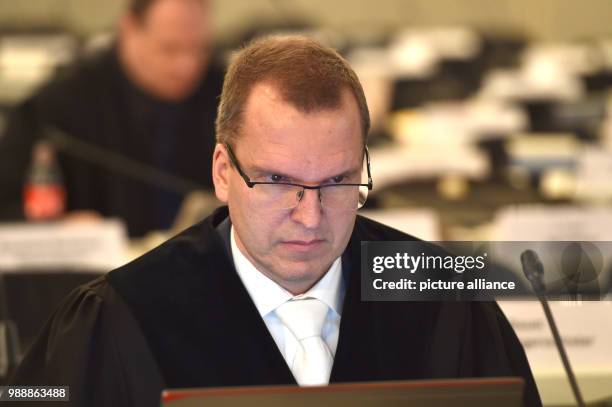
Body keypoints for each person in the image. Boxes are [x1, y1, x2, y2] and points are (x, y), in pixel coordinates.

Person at [9, 36, 542, 407]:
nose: (310, 218)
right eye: (277, 182)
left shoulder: (444, 300)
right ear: (223, 172)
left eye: (338, 182)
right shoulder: (122, 314)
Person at [0, 0, 222, 236]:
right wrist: (58, 228)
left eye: (201, 49)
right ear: (128, 29)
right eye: (170, 49)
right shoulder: (58, 106)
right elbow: (7, 205)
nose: (187, 66)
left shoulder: (227, 92)